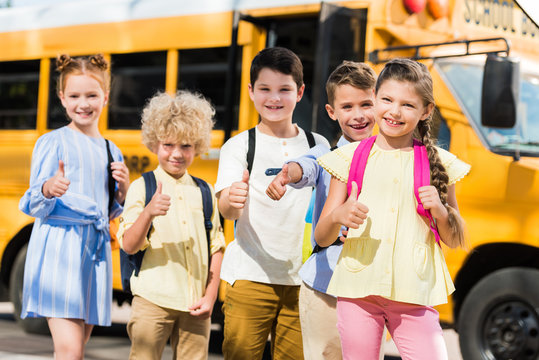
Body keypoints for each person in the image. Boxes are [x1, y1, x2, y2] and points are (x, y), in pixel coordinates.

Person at [314, 58, 470, 360]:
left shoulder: (440, 163)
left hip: (415, 296)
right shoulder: (347, 159)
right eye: (386, 99)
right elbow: (321, 237)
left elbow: (453, 239)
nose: (395, 111)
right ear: (375, 99)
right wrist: (338, 215)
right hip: (358, 293)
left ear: (426, 110)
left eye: (408, 105)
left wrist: (439, 210)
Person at [215, 46, 329, 360]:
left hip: (304, 280)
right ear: (251, 91)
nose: (274, 98)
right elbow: (226, 208)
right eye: (264, 89)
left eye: (284, 90)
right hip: (251, 276)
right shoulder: (239, 145)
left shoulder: (318, 145)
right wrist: (232, 200)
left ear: (300, 92)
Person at [266, 61, 382, 360]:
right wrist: (287, 173)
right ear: (332, 112)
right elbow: (305, 166)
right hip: (325, 287)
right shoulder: (327, 154)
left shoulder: (392, 158)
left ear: (380, 102)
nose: (358, 115)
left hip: (372, 289)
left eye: (366, 104)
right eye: (347, 107)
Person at [19, 54, 130, 360]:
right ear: (62, 98)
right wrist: (47, 188)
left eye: (92, 95)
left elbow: (109, 211)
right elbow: (32, 201)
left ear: (105, 97)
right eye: (75, 96)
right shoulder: (52, 142)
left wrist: (122, 192)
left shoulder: (112, 149)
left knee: (76, 352)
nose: (84, 103)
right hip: (61, 251)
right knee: (69, 352)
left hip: (94, 255)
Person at [117, 90, 225, 360]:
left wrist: (210, 296)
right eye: (168, 145)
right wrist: (148, 213)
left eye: (186, 146)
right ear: (154, 143)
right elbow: (128, 245)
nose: (177, 153)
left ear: (198, 146)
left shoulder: (205, 191)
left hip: (195, 305)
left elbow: (217, 247)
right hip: (152, 300)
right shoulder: (142, 187)